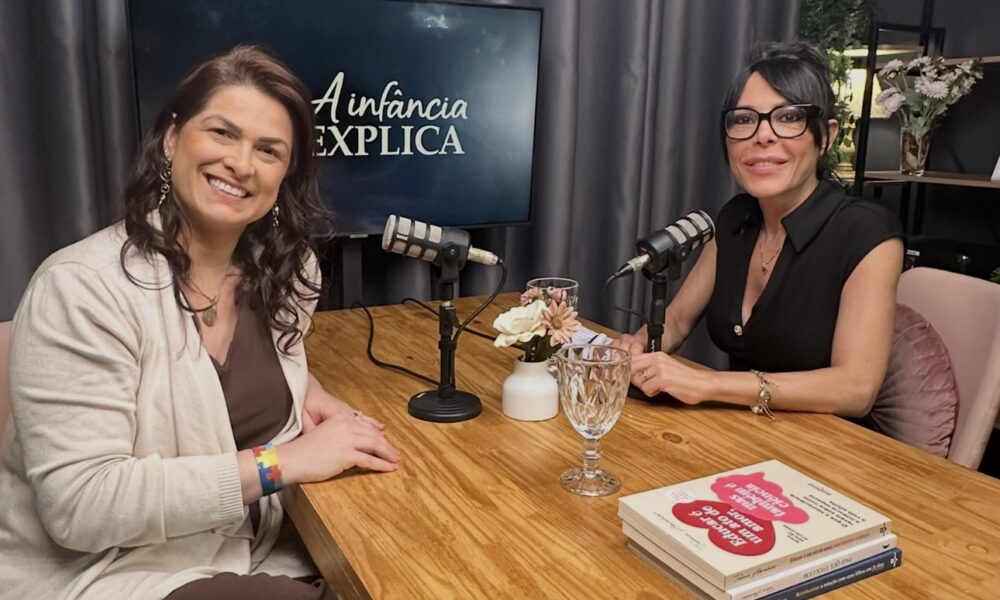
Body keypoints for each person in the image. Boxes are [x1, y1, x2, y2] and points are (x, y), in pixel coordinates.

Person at [0, 45, 400, 599]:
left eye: (268, 150)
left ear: (284, 175)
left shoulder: (289, 271)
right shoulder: (80, 287)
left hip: (253, 548)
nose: (242, 163)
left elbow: (216, 384)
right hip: (111, 571)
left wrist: (305, 387)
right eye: (222, 133)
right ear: (171, 139)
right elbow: (82, 507)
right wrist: (280, 463)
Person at [615, 42, 904, 418]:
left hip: (829, 443)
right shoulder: (735, 218)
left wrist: (708, 384)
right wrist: (632, 350)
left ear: (827, 136)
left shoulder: (867, 233)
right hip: (742, 432)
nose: (762, 135)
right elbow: (678, 320)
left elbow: (855, 389)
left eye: (788, 117)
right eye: (743, 119)